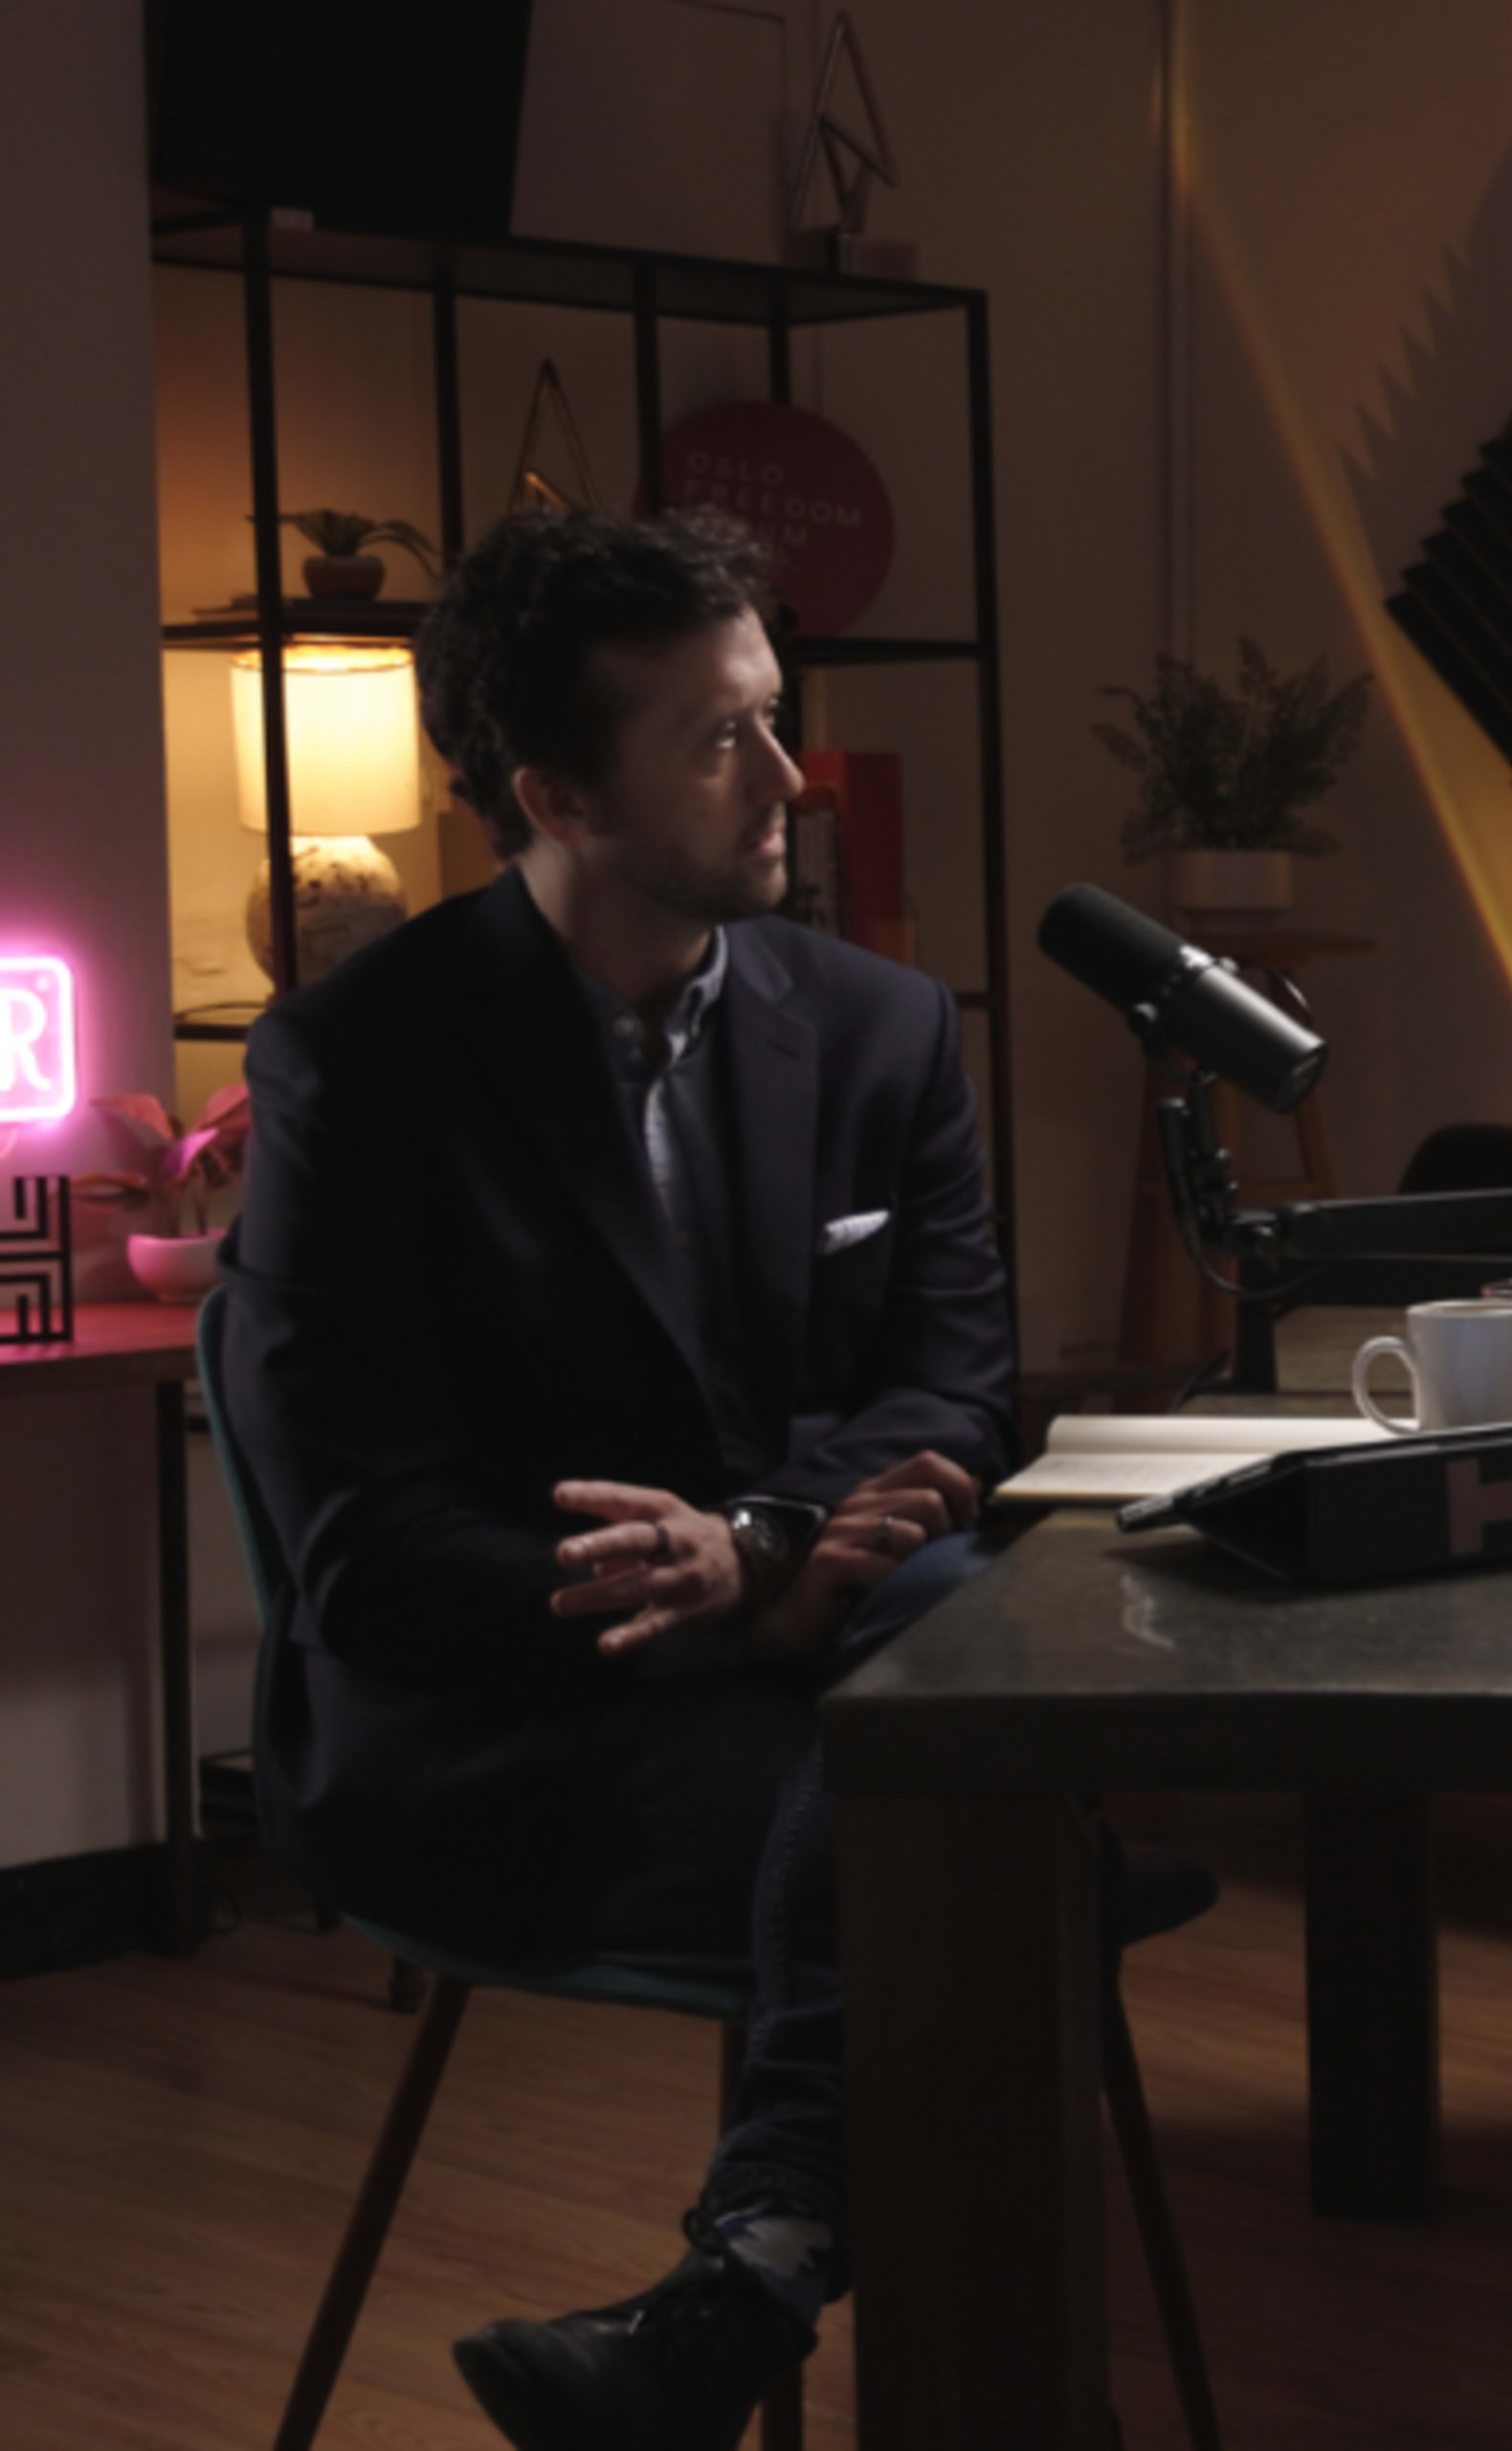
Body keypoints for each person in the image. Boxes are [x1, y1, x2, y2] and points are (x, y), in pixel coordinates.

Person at [217, 507, 1055, 2449]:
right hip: (512, 1732)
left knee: (950, 1738)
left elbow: (954, 1379)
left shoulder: (881, 1026)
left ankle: (741, 2286)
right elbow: (366, 1548)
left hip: (815, 1652)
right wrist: (693, 1597)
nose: (790, 776)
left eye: (778, 716)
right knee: (980, 1819)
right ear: (550, 793)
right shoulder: (359, 1068)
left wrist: (762, 1551)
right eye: (719, 739)